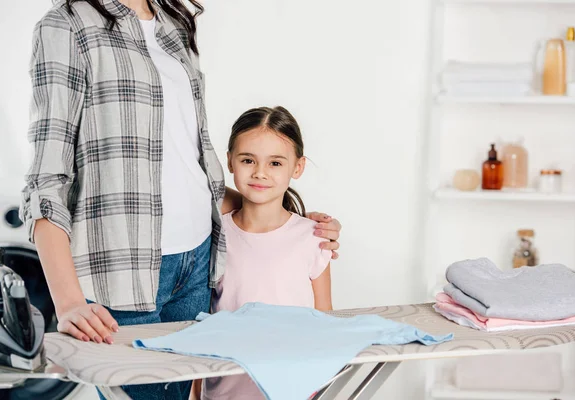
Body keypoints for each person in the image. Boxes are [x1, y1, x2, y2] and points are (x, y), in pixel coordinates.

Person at [19, 1, 342, 399]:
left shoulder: (174, 24)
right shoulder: (67, 25)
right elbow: (47, 179)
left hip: (199, 263)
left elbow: (183, 167)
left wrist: (290, 225)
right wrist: (67, 301)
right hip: (125, 271)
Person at [193, 106, 334, 400]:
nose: (259, 173)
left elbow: (325, 323)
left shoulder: (313, 237)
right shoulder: (214, 234)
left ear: (297, 167)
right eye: (248, 160)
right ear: (230, 161)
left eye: (275, 163)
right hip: (223, 392)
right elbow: (202, 319)